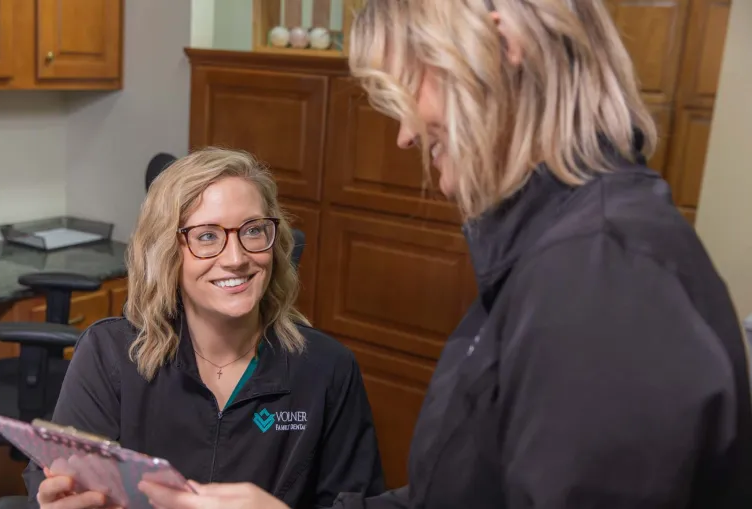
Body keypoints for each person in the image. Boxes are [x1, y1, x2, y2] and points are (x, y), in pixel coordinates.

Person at [137, 1, 752, 508]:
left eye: (411, 85)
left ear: (501, 43)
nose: (405, 133)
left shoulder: (603, 276)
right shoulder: (554, 259)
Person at [27, 147, 386, 508]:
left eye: (253, 230)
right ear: (167, 252)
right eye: (207, 236)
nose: (236, 259)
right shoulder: (109, 353)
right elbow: (57, 479)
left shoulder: (327, 368)